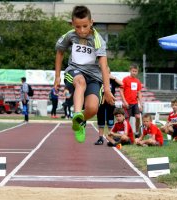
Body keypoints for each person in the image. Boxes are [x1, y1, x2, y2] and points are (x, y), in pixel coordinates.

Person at [54, 5, 115, 143]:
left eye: (85, 26)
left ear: (91, 22)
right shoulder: (69, 35)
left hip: (94, 77)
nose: (81, 31)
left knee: (93, 109)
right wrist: (57, 76)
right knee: (80, 82)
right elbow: (60, 52)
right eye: (77, 27)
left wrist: (106, 89)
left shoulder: (98, 40)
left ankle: (80, 121)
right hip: (74, 72)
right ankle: (76, 114)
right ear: (72, 24)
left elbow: (104, 66)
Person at [95, 72, 123, 145]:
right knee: (101, 122)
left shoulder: (112, 81)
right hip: (101, 103)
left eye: (107, 72)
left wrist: (114, 78)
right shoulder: (99, 80)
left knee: (110, 123)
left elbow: (122, 84)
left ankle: (110, 138)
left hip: (110, 103)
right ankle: (100, 138)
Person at [119, 64, 143, 138]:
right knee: (127, 119)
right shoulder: (125, 79)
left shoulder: (138, 81)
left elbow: (139, 92)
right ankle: (127, 133)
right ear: (130, 71)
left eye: (135, 71)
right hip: (127, 103)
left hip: (135, 103)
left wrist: (141, 104)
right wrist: (124, 101)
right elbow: (121, 90)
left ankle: (136, 132)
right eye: (133, 71)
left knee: (138, 117)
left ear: (137, 72)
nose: (134, 72)